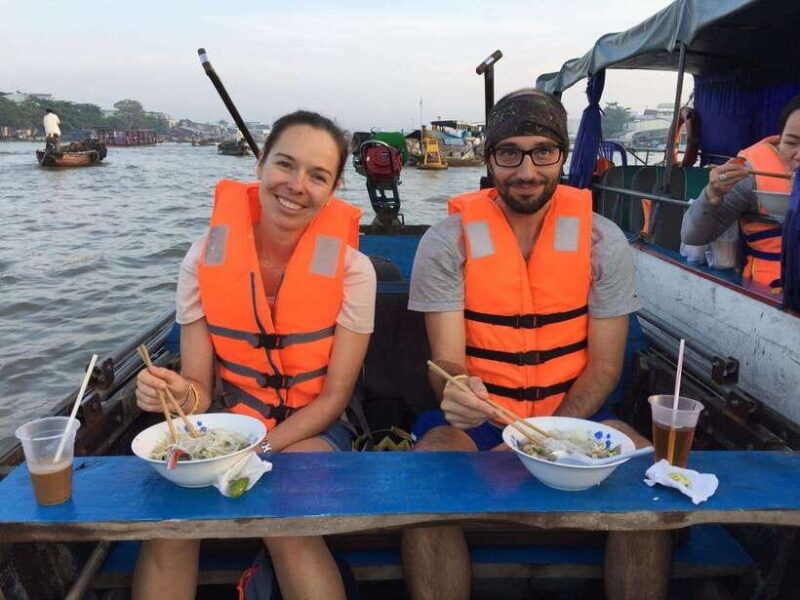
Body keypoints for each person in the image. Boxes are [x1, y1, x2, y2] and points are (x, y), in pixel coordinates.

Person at [401, 88, 671, 600]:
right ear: (489, 160)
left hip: (577, 419)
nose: (527, 171)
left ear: (563, 156)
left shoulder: (601, 240)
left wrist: (554, 438)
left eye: (543, 151)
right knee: (427, 487)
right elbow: (445, 360)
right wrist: (458, 389)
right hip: (482, 421)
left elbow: (606, 365)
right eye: (509, 153)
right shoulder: (446, 240)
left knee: (648, 483)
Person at [132, 110, 377, 600]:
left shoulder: (355, 271)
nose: (296, 185)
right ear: (261, 164)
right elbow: (199, 389)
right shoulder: (202, 259)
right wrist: (177, 392)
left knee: (282, 507)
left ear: (333, 189)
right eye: (285, 165)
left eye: (317, 175)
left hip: (318, 425)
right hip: (229, 423)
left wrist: (258, 454)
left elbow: (333, 398)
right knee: (168, 524)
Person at [681, 94, 800, 287]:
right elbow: (693, 236)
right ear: (780, 138)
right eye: (792, 143)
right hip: (769, 294)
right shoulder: (751, 174)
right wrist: (712, 194)